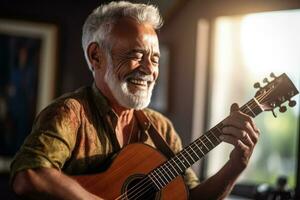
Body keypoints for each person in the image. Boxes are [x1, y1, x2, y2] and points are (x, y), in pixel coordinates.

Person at [10, 1, 260, 200]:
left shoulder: (161, 129)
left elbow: (190, 197)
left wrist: (236, 165)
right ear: (96, 56)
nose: (148, 69)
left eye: (154, 59)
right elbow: (29, 174)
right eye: (136, 54)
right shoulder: (70, 114)